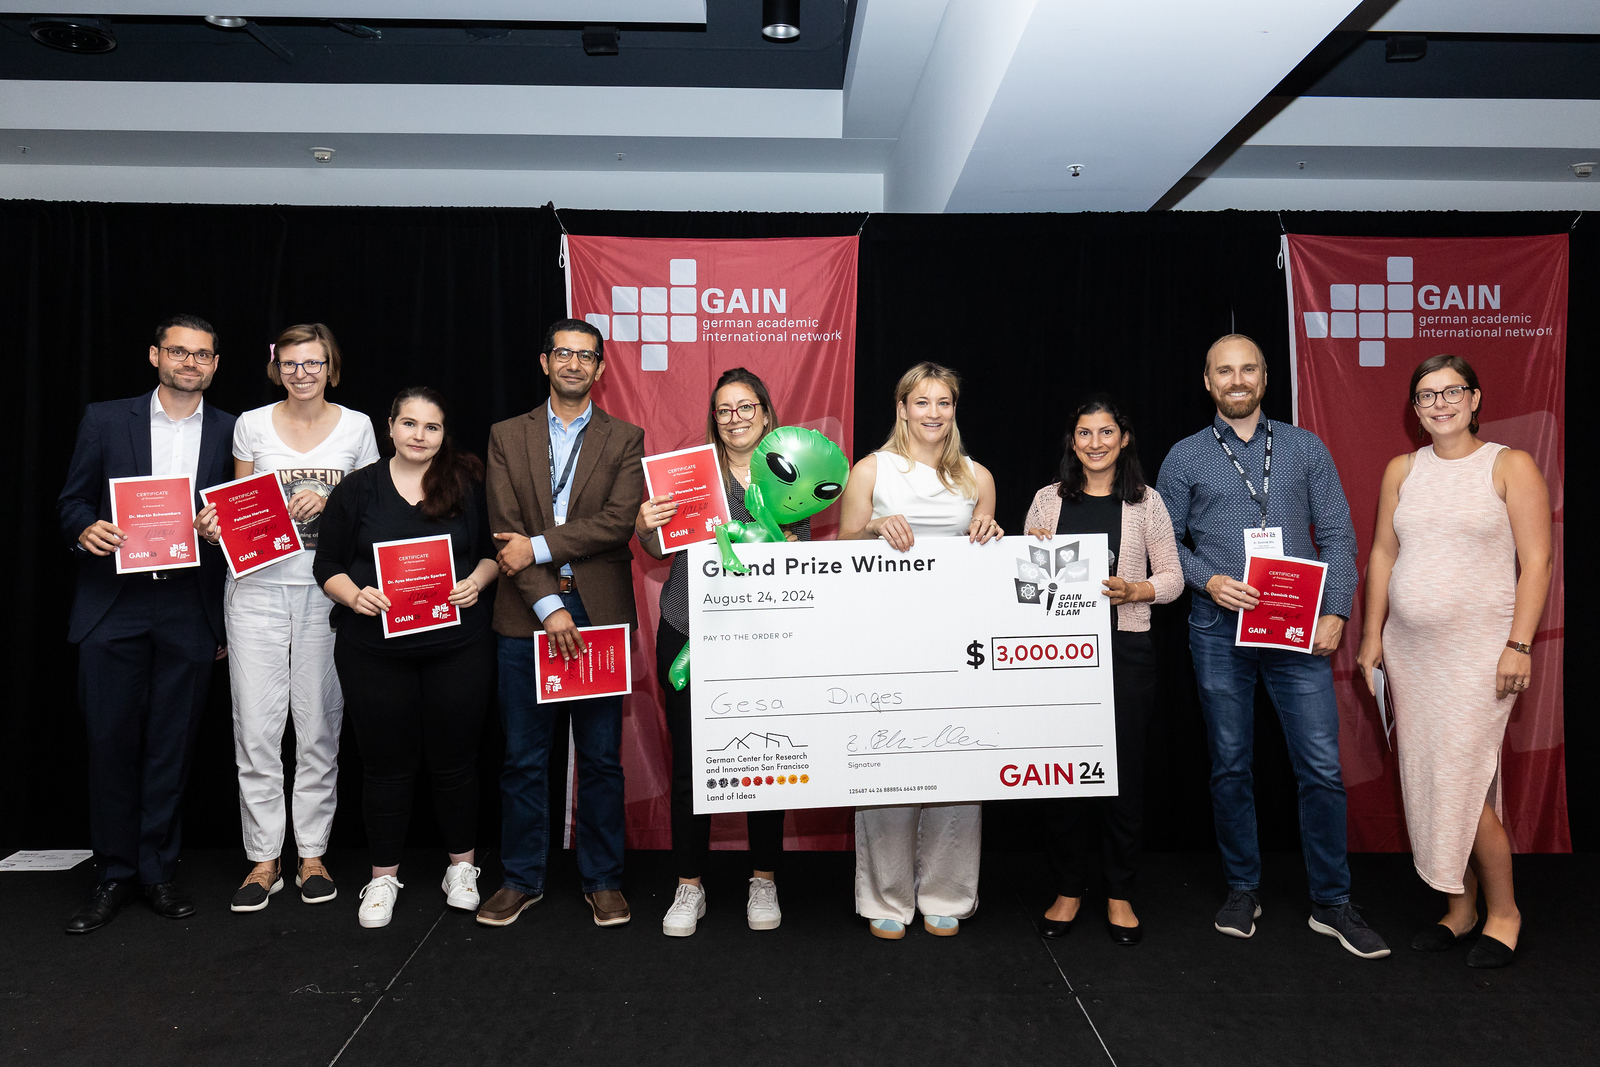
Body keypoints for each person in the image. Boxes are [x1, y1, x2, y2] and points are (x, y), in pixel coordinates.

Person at [1156, 333, 1390, 959]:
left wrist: (1337, 610)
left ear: (1265, 377)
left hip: (1297, 632)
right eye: (1224, 371)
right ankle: (1241, 887)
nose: (1237, 380)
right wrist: (1208, 578)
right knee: (1231, 765)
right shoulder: (1182, 458)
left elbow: (1340, 535)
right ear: (1207, 382)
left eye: (1248, 369)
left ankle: (1333, 901)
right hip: (1216, 629)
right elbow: (1164, 544)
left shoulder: (1303, 447)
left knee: (1320, 768)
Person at [1355, 355, 1551, 969]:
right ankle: (1459, 908)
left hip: (1479, 656)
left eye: (1451, 392)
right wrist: (1371, 636)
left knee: (1464, 786)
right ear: (1414, 410)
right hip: (1412, 656)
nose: (1439, 404)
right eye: (1425, 396)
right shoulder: (1402, 470)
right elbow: (1384, 552)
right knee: (1426, 781)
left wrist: (1518, 644)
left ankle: (1504, 913)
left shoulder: (1510, 466)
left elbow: (1538, 563)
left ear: (1475, 398)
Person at [57, 313, 236, 934]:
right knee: (109, 741)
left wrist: (221, 531)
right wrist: (84, 528)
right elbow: (71, 500)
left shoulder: (232, 431)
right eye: (181, 352)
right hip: (114, 604)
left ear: (215, 364)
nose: (193, 363)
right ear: (155, 356)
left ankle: (157, 870)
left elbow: (244, 517)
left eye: (204, 355)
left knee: (172, 744)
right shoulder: (105, 419)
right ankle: (113, 873)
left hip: (189, 605)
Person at [195, 323, 378, 913]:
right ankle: (262, 859)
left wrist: (333, 502)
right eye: (293, 363)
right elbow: (241, 507)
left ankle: (313, 854)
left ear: (332, 366)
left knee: (320, 726)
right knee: (256, 728)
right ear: (278, 367)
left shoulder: (358, 427)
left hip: (327, 592)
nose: (303, 373)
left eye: (314, 363)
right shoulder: (250, 423)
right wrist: (216, 524)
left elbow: (376, 508)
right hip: (254, 590)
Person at [477, 319, 645, 929]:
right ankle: (522, 878)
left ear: (602, 369)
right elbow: (504, 530)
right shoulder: (505, 435)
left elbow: (618, 522)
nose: (574, 363)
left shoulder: (626, 437)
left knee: (601, 758)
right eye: (563, 353)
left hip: (599, 615)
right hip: (526, 615)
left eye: (587, 356)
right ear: (544, 361)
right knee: (524, 759)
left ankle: (602, 878)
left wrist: (540, 546)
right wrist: (547, 606)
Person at [312, 387, 499, 929]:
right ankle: (382, 877)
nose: (420, 436)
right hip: (374, 651)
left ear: (444, 435)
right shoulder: (357, 489)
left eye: (432, 427)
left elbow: (491, 554)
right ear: (389, 427)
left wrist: (474, 582)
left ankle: (462, 868)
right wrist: (354, 595)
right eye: (410, 424)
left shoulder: (466, 483)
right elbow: (326, 565)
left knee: (456, 763)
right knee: (386, 767)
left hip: (457, 648)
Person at [837, 362, 1002, 939]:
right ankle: (885, 895)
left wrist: (992, 534)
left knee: (956, 766)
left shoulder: (977, 477)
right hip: (883, 636)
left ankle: (948, 894)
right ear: (902, 408)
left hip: (957, 640)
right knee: (886, 763)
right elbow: (839, 548)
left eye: (945, 403)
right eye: (922, 402)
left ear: (955, 410)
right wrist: (876, 527)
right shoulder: (871, 469)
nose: (934, 413)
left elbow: (990, 558)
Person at [635, 368, 800, 936]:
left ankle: (763, 878)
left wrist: (791, 540)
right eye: (725, 409)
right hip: (688, 629)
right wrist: (646, 523)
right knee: (690, 763)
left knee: (764, 760)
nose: (735, 418)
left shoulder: (786, 470)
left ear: (765, 412)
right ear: (715, 417)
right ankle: (689, 887)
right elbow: (655, 547)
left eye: (745, 407)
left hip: (763, 636)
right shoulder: (688, 474)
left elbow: (795, 538)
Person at [1023, 397, 1183, 945]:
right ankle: (1068, 888)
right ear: (1073, 441)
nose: (1095, 442)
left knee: (1123, 774)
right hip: (1058, 657)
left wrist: (1133, 590)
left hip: (1126, 648)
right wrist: (1030, 562)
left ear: (1125, 438)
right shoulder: (1048, 501)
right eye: (1085, 433)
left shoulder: (1146, 502)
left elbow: (1173, 579)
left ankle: (1119, 892)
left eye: (1106, 432)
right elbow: (1023, 583)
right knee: (1062, 774)